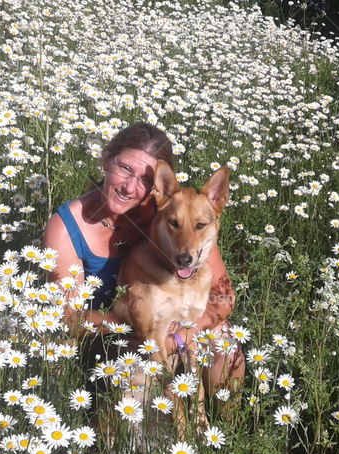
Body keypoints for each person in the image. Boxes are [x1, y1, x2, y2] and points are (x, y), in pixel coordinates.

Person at [41, 122, 243, 396]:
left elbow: (224, 295)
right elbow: (69, 319)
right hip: (110, 334)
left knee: (226, 345)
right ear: (107, 160)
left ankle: (227, 430)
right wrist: (143, 326)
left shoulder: (173, 215)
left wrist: (186, 333)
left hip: (179, 322)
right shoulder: (67, 227)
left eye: (146, 180)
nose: (130, 187)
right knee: (139, 382)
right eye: (125, 169)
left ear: (158, 187)